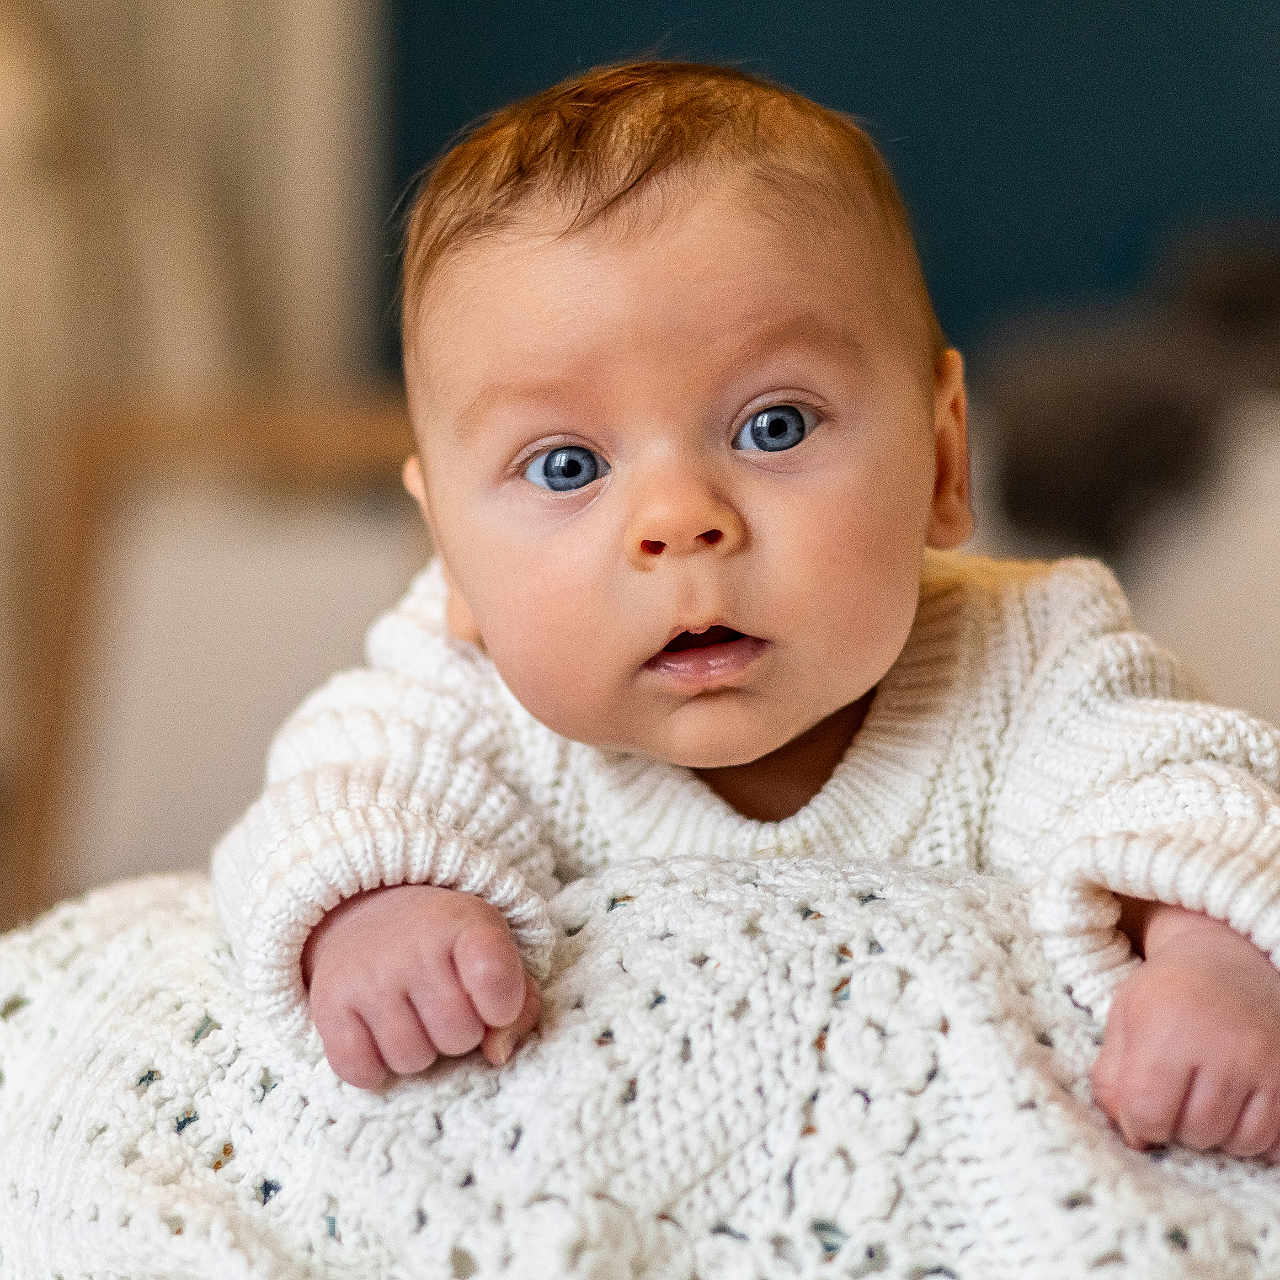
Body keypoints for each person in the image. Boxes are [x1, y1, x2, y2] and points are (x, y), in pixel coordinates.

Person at [213, 60, 1280, 1163]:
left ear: (942, 460)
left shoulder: (1029, 656)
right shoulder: (455, 699)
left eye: (773, 426)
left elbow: (1184, 796)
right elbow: (326, 805)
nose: (679, 520)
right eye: (568, 462)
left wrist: (1215, 962)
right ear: (452, 558)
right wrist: (376, 910)